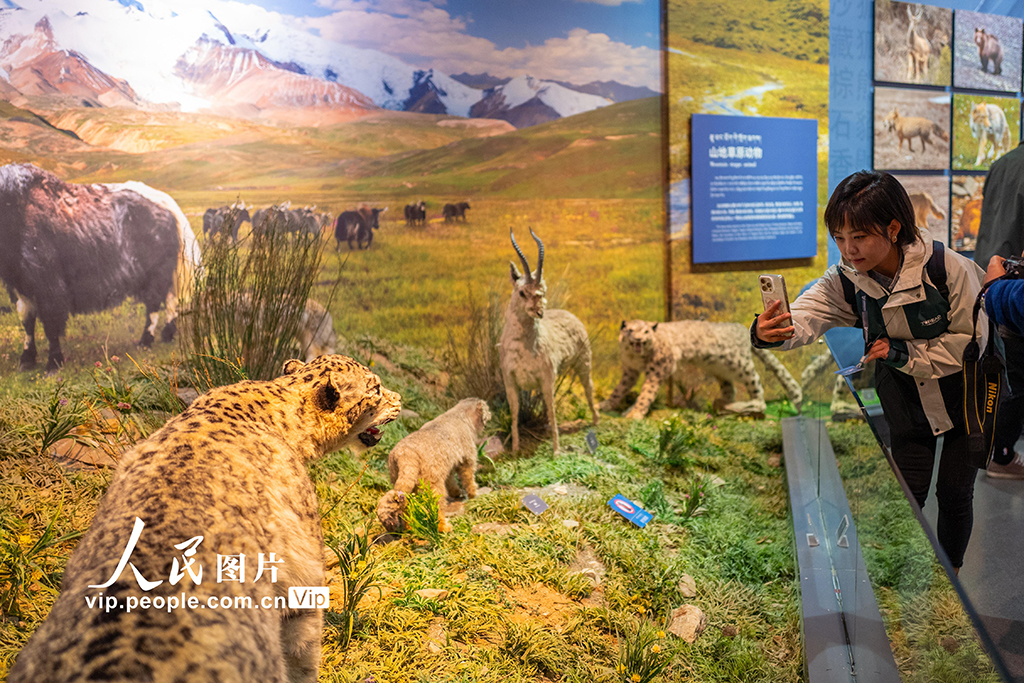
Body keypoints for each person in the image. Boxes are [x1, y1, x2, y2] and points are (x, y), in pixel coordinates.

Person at [753, 170, 985, 572]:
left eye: (858, 237)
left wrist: (901, 354)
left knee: (954, 493)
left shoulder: (949, 269)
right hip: (906, 402)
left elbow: (971, 342)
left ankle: (952, 577)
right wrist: (769, 331)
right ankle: (907, 582)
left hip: (964, 400)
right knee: (906, 496)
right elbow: (807, 315)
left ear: (893, 228)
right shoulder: (847, 279)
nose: (848, 249)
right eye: (839, 238)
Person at [976, 144, 1024, 477]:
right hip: (1012, 285)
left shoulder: (1001, 162)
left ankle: (995, 449)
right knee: (1016, 379)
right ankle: (1001, 455)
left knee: (1002, 371)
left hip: (990, 276)